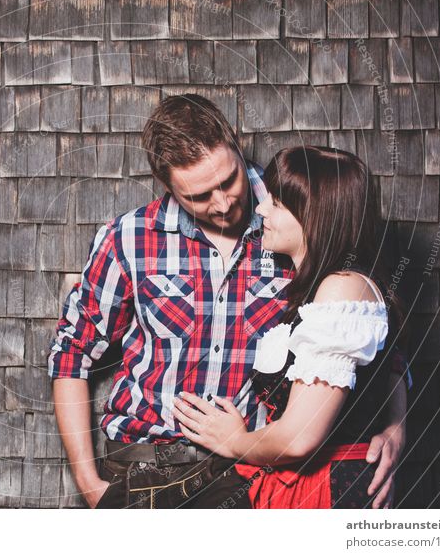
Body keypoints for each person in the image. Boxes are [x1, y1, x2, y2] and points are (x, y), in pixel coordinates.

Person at [48, 94, 408, 509]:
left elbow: (373, 336)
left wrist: (397, 427)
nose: (222, 204)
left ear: (236, 145)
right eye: (199, 196)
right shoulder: (127, 238)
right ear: (166, 185)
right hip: (144, 468)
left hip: (254, 474)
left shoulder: (296, 218)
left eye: (228, 181)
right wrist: (89, 484)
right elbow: (72, 352)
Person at [172, 145, 408, 508]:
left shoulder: (342, 286)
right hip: (295, 488)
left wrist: (234, 441)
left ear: (314, 215)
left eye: (277, 203)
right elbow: (387, 363)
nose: (261, 210)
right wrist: (395, 425)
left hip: (327, 492)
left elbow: (300, 437)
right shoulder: (322, 288)